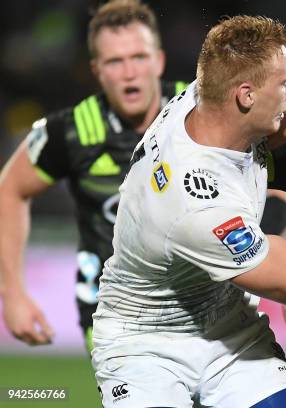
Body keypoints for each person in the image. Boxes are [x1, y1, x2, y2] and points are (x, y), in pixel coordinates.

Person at [91, 15, 286, 408]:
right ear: (246, 96)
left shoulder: (206, 95)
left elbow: (268, 116)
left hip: (229, 329)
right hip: (145, 345)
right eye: (284, 85)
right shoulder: (197, 205)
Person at [0, 0, 188, 352]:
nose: (129, 72)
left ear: (159, 61)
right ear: (96, 71)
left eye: (139, 57)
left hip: (206, 308)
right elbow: (9, 189)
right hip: (114, 319)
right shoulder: (70, 132)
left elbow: (267, 154)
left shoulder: (199, 109)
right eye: (115, 62)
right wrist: (12, 293)